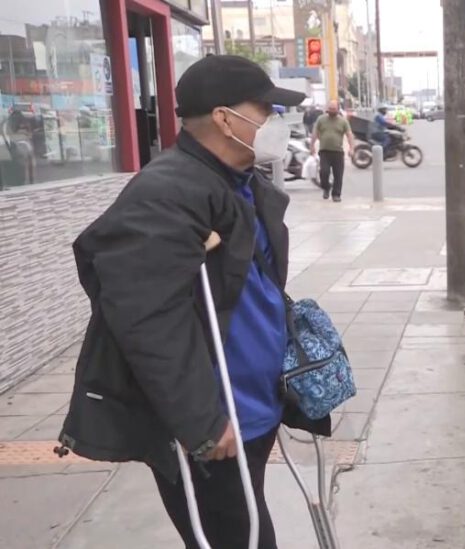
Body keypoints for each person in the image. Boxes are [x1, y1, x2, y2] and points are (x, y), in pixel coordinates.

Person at [57, 55, 332, 549]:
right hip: (212, 424)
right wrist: (199, 423)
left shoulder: (242, 183)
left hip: (253, 405)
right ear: (226, 118)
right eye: (266, 110)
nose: (276, 122)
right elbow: (146, 319)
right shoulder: (164, 194)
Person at [312, 100, 356, 201]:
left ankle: (336, 194)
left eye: (334, 109)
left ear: (338, 109)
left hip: (338, 152)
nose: (332, 111)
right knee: (324, 172)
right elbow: (315, 133)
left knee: (338, 175)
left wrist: (352, 148)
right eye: (330, 109)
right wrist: (312, 146)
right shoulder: (321, 119)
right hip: (324, 151)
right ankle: (326, 187)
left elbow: (349, 135)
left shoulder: (343, 121)